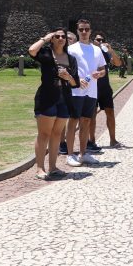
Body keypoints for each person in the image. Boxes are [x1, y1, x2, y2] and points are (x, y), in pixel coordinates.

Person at [29, 28, 80, 180]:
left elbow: (75, 83)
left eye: (63, 36)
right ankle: (40, 168)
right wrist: (45, 38)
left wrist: (68, 76)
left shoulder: (71, 59)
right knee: (44, 134)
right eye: (56, 36)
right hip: (46, 97)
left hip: (64, 98)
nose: (60, 38)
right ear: (52, 38)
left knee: (57, 134)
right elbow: (31, 50)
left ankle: (53, 167)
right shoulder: (45, 53)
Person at [66, 20, 107, 166]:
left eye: (87, 29)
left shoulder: (96, 50)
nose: (84, 32)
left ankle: (83, 153)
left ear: (90, 31)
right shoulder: (71, 49)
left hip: (92, 90)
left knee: (86, 121)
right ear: (77, 31)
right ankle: (70, 154)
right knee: (73, 121)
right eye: (81, 29)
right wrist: (77, 79)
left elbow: (103, 68)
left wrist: (100, 74)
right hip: (76, 90)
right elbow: (66, 69)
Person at [90, 32, 124, 149]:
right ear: (93, 41)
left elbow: (118, 63)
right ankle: (92, 141)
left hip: (105, 88)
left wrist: (111, 50)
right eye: (97, 40)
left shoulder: (106, 53)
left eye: (102, 40)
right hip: (92, 87)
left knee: (110, 113)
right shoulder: (90, 51)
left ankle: (113, 140)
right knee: (92, 115)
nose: (100, 42)